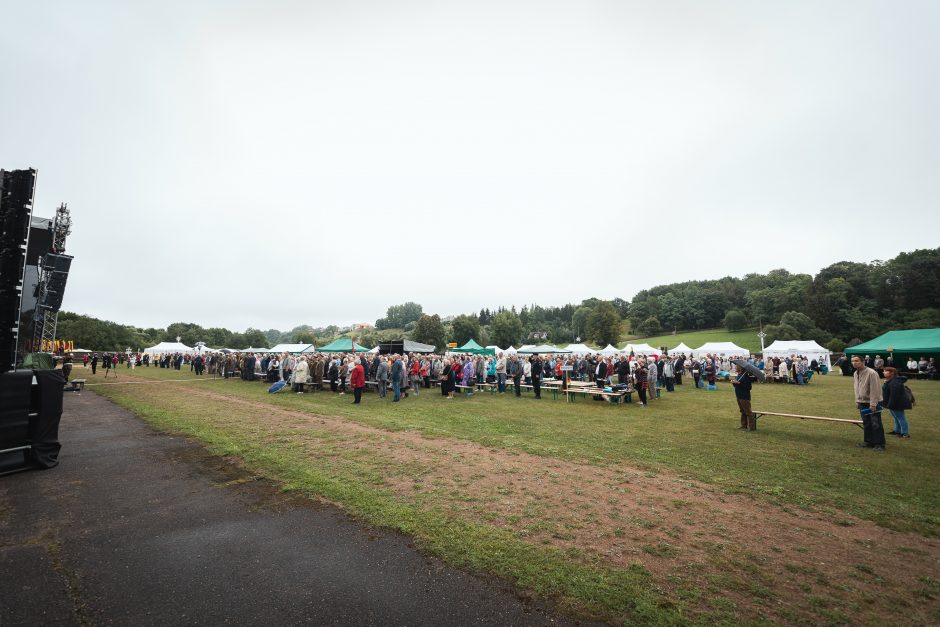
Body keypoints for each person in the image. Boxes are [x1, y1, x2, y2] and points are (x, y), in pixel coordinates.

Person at [852, 355, 885, 452]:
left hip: (873, 402)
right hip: (862, 402)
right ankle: (868, 441)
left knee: (876, 423)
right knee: (866, 423)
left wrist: (873, 404)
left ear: (862, 361)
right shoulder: (855, 373)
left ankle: (879, 444)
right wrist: (857, 400)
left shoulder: (871, 373)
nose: (854, 363)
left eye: (856, 361)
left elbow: (875, 389)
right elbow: (857, 388)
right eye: (852, 361)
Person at [882, 367, 911, 439]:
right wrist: (886, 383)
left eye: (886, 371)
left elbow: (894, 395)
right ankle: (897, 430)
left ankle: (905, 433)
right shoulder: (890, 381)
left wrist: (890, 405)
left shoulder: (895, 382)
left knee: (901, 418)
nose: (883, 372)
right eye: (884, 371)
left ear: (892, 373)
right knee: (896, 417)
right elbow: (886, 391)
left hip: (897, 403)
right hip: (892, 403)